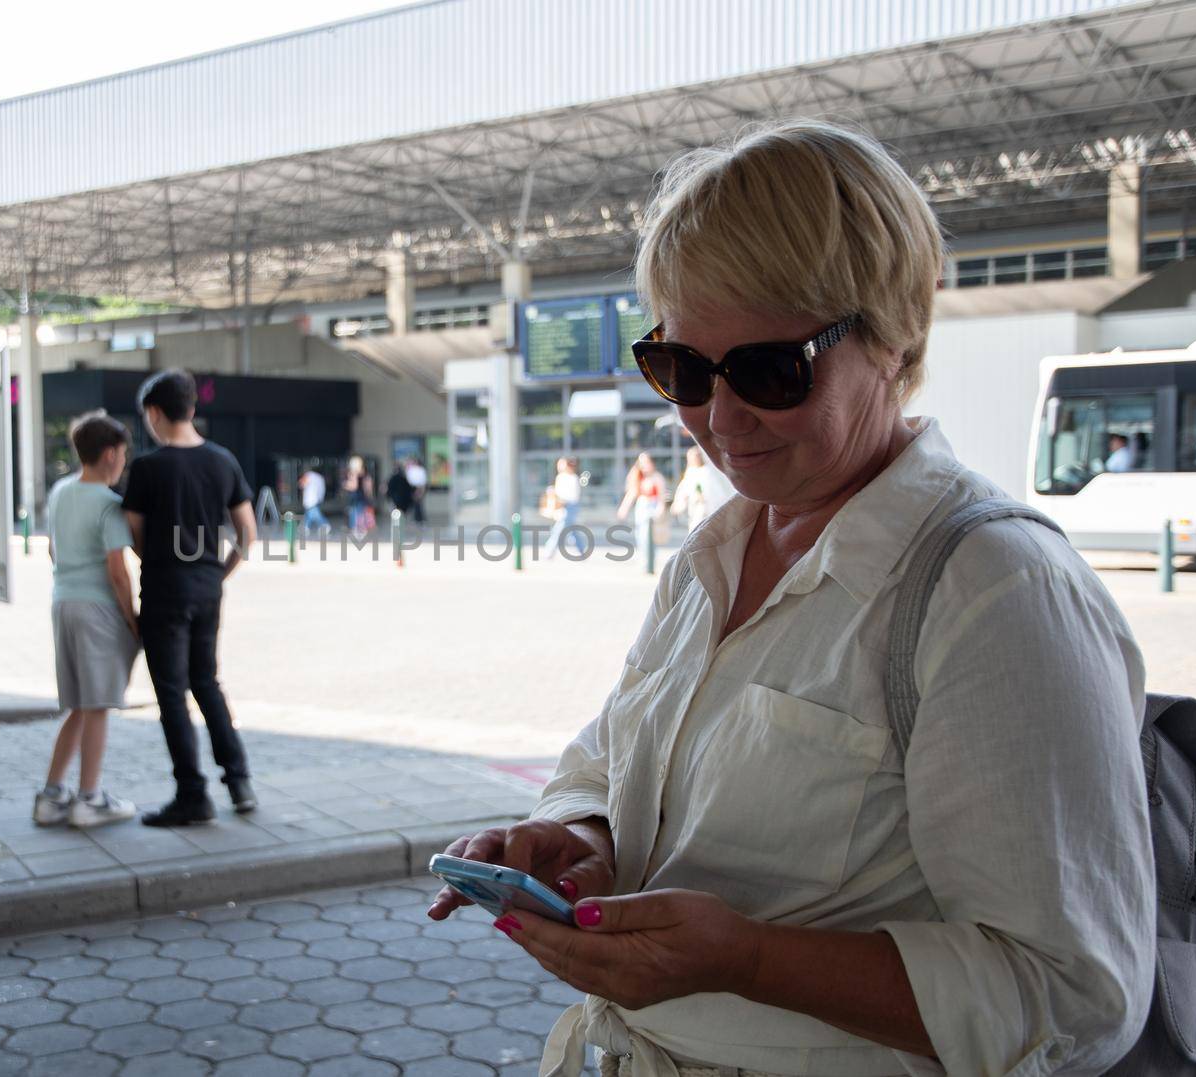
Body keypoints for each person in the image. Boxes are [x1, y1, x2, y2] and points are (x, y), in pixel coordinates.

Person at [428, 120, 1153, 1076]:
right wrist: (577, 837)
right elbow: (613, 752)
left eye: (770, 370)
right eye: (681, 370)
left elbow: (1074, 996)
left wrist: (750, 958)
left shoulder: (996, 591)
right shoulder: (714, 555)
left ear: (894, 338)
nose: (721, 419)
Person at [122, 370, 257, 827]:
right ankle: (239, 782)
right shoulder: (223, 461)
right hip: (207, 588)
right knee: (207, 682)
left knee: (172, 694)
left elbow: (134, 536)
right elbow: (247, 533)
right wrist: (217, 574)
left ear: (155, 413)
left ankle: (192, 795)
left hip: (164, 589)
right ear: (192, 409)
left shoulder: (146, 467)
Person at [34, 410, 141, 830]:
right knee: (98, 706)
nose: (124, 461)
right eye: (124, 454)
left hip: (62, 602)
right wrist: (131, 618)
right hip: (97, 608)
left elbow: (52, 551)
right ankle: (90, 798)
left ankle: (52, 794)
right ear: (111, 454)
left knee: (78, 705)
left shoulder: (61, 491)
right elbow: (118, 570)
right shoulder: (110, 505)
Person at [669, 446, 735, 533]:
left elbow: (713, 490)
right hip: (695, 510)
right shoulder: (691, 472)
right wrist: (678, 504)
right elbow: (683, 490)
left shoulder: (707, 472)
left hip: (705, 509)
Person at [616, 452, 667, 555]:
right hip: (642, 507)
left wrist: (660, 510)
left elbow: (662, 498)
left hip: (652, 507)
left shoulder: (657, 478)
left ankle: (650, 561)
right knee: (640, 534)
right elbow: (631, 494)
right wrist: (623, 509)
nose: (644, 466)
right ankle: (644, 558)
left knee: (649, 535)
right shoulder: (638, 478)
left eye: (647, 462)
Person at [541, 457, 588, 558]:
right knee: (571, 531)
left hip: (570, 507)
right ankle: (582, 550)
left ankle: (549, 551)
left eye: (561, 464)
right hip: (563, 507)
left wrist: (559, 498)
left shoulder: (573, 478)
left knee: (558, 530)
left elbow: (572, 496)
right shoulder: (560, 477)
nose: (559, 466)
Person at [343, 455, 374, 537]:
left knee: (354, 513)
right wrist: (370, 496)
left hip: (355, 496)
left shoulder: (353, 473)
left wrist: (345, 485)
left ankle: (355, 529)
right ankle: (362, 529)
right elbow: (368, 486)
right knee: (361, 513)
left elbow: (354, 486)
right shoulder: (364, 473)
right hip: (363, 496)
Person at [298, 466, 331, 536]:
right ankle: (305, 527)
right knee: (309, 513)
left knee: (315, 513)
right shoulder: (320, 478)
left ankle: (324, 524)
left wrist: (301, 483)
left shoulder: (309, 475)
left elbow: (302, 484)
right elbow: (322, 489)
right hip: (316, 498)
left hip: (310, 498)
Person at [405, 456, 429, 523]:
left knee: (418, 503)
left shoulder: (420, 470)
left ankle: (420, 518)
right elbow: (409, 480)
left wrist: (420, 490)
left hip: (419, 487)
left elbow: (423, 481)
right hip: (412, 487)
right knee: (415, 504)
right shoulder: (410, 470)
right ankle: (417, 518)